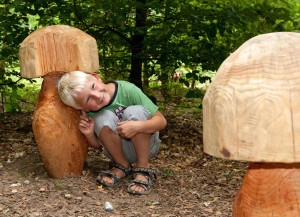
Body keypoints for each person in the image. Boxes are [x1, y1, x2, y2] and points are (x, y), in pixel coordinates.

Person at [57, 70, 167, 195]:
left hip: (147, 147)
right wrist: (89, 134)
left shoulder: (127, 90)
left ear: (97, 78)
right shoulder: (91, 113)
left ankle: (143, 167)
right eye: (88, 99)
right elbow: (100, 146)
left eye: (93, 87)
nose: (97, 95)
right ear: (84, 108)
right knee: (102, 117)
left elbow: (161, 121)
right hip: (117, 153)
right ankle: (122, 165)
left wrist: (138, 127)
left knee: (135, 111)